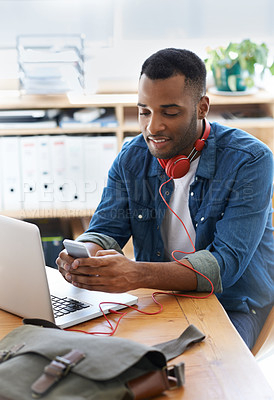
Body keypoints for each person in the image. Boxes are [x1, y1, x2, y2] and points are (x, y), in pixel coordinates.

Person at [57, 48, 274, 349]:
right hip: (159, 297)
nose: (152, 127)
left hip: (232, 304)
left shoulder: (250, 161)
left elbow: (226, 264)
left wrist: (136, 273)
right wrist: (84, 257)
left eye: (169, 113)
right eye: (144, 111)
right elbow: (106, 229)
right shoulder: (132, 157)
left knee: (199, 373)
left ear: (202, 107)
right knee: (92, 358)